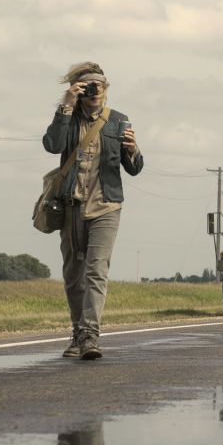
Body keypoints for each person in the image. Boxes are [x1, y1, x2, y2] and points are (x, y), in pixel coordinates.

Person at [42, 61, 143, 361]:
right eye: (88, 87)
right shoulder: (68, 118)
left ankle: (89, 335)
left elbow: (134, 168)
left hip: (106, 206)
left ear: (106, 89)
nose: (94, 91)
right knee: (74, 275)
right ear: (79, 90)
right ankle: (77, 333)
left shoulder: (118, 120)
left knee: (96, 272)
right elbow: (52, 145)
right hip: (71, 206)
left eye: (99, 86)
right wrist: (66, 105)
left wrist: (133, 149)